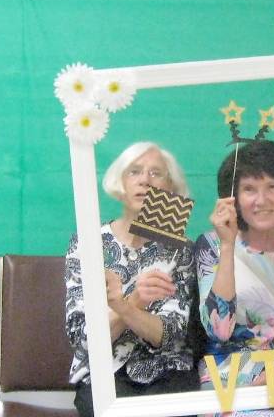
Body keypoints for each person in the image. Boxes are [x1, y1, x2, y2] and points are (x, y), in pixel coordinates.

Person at [65, 142, 202, 417]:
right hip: (106, 375)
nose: (144, 180)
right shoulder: (88, 244)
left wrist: (124, 306)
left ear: (170, 187)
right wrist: (135, 302)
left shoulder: (180, 248)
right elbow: (83, 339)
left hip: (168, 373)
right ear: (120, 183)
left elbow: (169, 334)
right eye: (135, 172)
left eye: (156, 173)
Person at [195, 140, 274, 416]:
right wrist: (228, 246)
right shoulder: (212, 245)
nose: (261, 200)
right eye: (249, 189)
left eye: (272, 187)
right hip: (225, 375)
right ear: (233, 199)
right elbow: (219, 330)